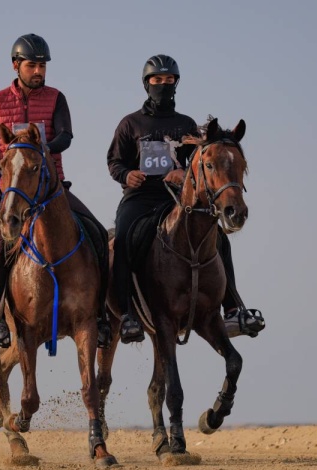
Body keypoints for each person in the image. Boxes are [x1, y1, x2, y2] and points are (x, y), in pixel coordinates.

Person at [107, 54, 265, 344]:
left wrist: (181, 172)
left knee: (219, 237)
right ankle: (127, 315)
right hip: (139, 198)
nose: (163, 85)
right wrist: (127, 175)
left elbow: (200, 165)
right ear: (147, 84)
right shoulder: (130, 123)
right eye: (157, 80)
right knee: (123, 239)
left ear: (176, 84)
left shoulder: (187, 124)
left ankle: (232, 309)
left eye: (169, 80)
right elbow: (114, 162)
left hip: (177, 199)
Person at [0, 33, 110, 349]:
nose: (38, 71)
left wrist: (40, 147)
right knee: (0, 245)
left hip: (52, 189)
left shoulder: (56, 98)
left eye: (43, 66)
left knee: (98, 233)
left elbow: (66, 136)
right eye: (32, 65)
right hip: (15, 193)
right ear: (16, 65)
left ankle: (100, 315)